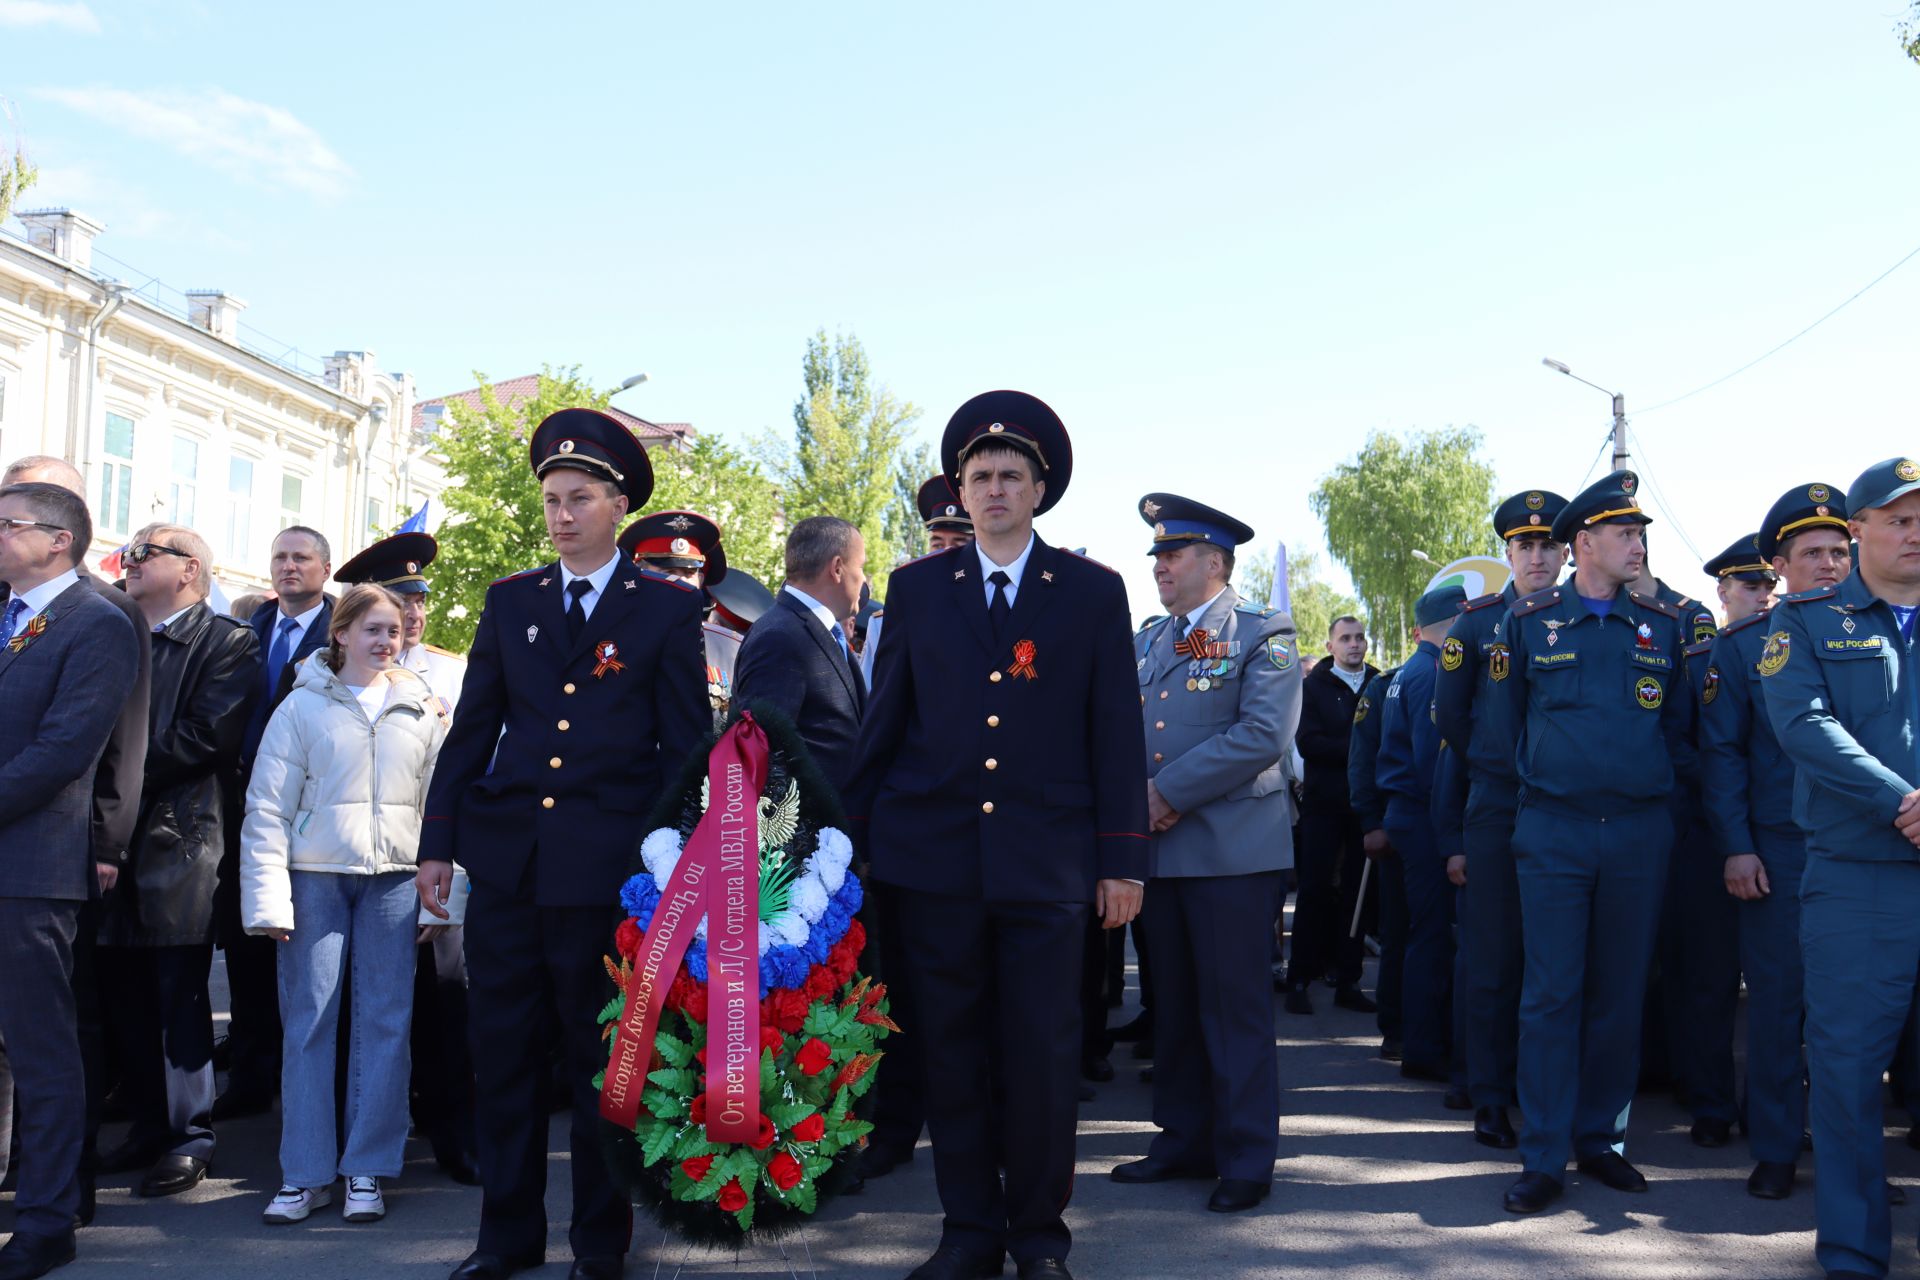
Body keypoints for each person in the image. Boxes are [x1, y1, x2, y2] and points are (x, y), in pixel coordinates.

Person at [844, 391, 1147, 1280]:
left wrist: (1122, 860)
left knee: (1046, 1060)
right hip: (936, 867)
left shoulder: (1091, 592)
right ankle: (969, 1232)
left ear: (1040, 488)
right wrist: (850, 847)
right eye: (980, 477)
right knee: (953, 1055)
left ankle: (1040, 1239)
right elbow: (886, 728)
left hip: (1048, 869)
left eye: (1012, 476)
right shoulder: (916, 587)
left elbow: (1115, 734)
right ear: (961, 491)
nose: (995, 490)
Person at [417, 408, 709, 1280]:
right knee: (500, 1058)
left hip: (607, 869)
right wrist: (438, 841)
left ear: (617, 505)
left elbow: (686, 751)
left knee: (600, 1068)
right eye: (551, 498)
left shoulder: (663, 608)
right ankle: (505, 1238)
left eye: (580, 498)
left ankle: (598, 1243)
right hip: (511, 863)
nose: (562, 514)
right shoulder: (513, 601)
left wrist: (673, 867)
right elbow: (472, 732)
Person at [1488, 470, 1692, 1214]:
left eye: (1640, 533)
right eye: (1624, 533)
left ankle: (1601, 1139)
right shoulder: (1531, 621)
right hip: (1556, 830)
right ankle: (1543, 1154)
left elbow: (1676, 730)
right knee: (1551, 995)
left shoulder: (1662, 625)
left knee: (1620, 990)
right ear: (1585, 545)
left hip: (1638, 831)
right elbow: (1500, 728)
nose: (1637, 543)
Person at [1111, 492, 1299, 1214]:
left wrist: (1165, 795)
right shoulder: (1152, 639)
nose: (1160, 565)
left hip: (1229, 857)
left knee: (1235, 1010)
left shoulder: (1263, 630)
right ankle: (1184, 1140)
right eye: (1157, 554)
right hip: (1162, 858)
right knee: (1177, 1010)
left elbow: (1261, 735)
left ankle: (1247, 1156)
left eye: (1174, 553)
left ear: (1215, 562)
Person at [241, 583, 447, 1226]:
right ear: (341, 633)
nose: (386, 640)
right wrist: (268, 900)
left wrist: (443, 900)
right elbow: (267, 808)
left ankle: (367, 1170)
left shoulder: (423, 708)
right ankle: (304, 1175)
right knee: (309, 1022)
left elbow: (443, 808)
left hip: (396, 881)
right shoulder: (300, 706)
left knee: (387, 1024)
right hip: (314, 880)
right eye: (372, 630)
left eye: (393, 629)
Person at [1762, 457, 1920, 1280]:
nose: (1915, 530)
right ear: (1858, 531)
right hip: (1861, 879)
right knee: (1852, 1073)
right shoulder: (1810, 624)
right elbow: (1805, 727)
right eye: (1899, 518)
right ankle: (1857, 1253)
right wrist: (1904, 802)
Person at [0, 454, 150, 1228]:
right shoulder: (7, 610)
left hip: (30, 869)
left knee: (43, 1051)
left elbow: (64, 751)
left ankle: (48, 1218)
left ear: (59, 541)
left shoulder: (96, 621)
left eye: (8, 522)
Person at [97, 524, 259, 1199]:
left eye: (142, 553)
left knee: (179, 996)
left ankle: (190, 1135)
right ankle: (147, 1124)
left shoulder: (228, 641)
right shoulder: (113, 631)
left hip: (180, 840)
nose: (126, 563)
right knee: (120, 994)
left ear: (188, 569)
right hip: (112, 836)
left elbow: (205, 738)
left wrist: (107, 773)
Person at [1702, 487, 1850, 1202]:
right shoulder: (1744, 647)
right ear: (1780, 566)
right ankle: (1776, 1147)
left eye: (1838, 551)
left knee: (1852, 1010)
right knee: (1777, 1003)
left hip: (1868, 851)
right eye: (1812, 554)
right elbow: (1722, 754)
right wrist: (1736, 845)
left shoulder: (1885, 633)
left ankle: (1853, 1156)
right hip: (1780, 849)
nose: (1828, 565)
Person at [333, 530, 479, 1186]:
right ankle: (363, 1135)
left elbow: (472, 770)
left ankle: (453, 1132)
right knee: (370, 1005)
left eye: (419, 599)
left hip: (438, 858)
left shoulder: (452, 674)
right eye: (399, 598)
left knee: (447, 1001)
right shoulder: (338, 674)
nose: (413, 612)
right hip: (360, 866)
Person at [1432, 488, 1568, 1151]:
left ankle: (1546, 1091)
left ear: (1568, 552)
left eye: (1548, 545)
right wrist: (1497, 761)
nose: (1537, 557)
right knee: (1491, 957)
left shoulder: (1584, 617)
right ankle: (1489, 1094)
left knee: (1559, 960)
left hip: (1568, 809)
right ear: (1508, 553)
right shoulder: (1476, 625)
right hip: (1498, 805)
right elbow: (1451, 718)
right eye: (1524, 546)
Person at [858, 478, 974, 1180]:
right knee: (902, 994)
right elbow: (883, 720)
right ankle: (897, 1127)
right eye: (939, 540)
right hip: (915, 827)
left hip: (986, 831)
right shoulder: (906, 603)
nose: (948, 551)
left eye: (957, 540)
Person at [219, 525, 336, 1121]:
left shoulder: (340, 628)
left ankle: (309, 1087)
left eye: (300, 558)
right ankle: (249, 1075)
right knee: (247, 950)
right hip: (248, 810)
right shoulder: (250, 628)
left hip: (312, 813)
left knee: (308, 954)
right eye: (279, 556)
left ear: (324, 568)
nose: (288, 567)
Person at [1666, 534, 1774, 1152]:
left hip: (1778, 837)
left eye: (1767, 585)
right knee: (1708, 981)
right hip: (1707, 840)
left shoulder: (1792, 651)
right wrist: (1726, 787)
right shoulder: (1697, 659)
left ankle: (1772, 1109)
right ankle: (1709, 1103)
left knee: (1779, 991)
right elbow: (1676, 741)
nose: (1761, 596)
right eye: (1748, 585)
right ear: (1722, 592)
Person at [1375, 585, 1469, 1094]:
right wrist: (1452, 829)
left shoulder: (1407, 671)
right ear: (1455, 621)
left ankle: (1418, 1041)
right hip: (1424, 813)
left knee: (1419, 932)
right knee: (1432, 934)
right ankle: (1425, 1047)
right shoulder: (1433, 673)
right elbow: (1435, 763)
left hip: (1407, 813)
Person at [730, 515, 868, 793]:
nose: (864, 579)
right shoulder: (779, 637)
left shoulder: (812, 629)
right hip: (809, 830)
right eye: (862, 567)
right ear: (838, 568)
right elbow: (761, 759)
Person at [1283, 614, 1377, 1014]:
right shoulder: (1311, 688)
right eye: (1345, 638)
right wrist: (1360, 749)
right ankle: (1300, 978)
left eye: (1359, 637)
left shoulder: (1380, 682)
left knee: (1358, 894)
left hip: (1365, 806)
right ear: (1330, 646)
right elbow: (1309, 743)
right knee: (1315, 890)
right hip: (1323, 805)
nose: (1354, 644)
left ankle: (1348, 979)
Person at [861, 476, 974, 687]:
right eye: (937, 545)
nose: (946, 554)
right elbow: (870, 700)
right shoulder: (884, 623)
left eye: (960, 544)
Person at [1348, 657, 1404, 1061]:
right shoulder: (1386, 687)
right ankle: (1396, 1027)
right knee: (1399, 930)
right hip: (1396, 825)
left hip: (1448, 827)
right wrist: (1370, 822)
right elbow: (1363, 760)